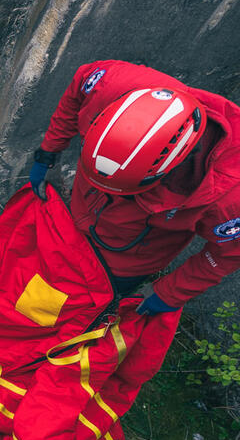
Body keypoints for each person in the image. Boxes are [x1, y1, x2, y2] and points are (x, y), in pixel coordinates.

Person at [29, 59, 240, 312]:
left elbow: (228, 253)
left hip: (123, 264)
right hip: (77, 219)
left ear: (176, 166)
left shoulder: (230, 201)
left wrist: (169, 293)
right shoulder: (112, 86)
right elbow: (80, 85)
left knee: (71, 313)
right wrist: (50, 152)